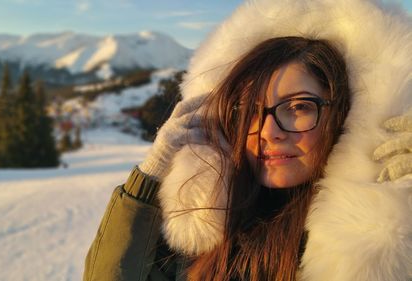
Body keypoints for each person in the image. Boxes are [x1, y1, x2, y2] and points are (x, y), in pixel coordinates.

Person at [83, 0, 412, 280]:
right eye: (247, 111)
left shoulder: (386, 244)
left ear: (345, 115)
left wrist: (398, 213)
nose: (269, 131)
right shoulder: (208, 232)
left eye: (298, 106)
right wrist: (152, 178)